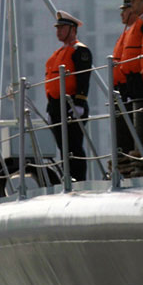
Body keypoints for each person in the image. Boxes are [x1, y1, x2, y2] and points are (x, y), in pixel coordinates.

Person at [45, 11, 92, 181]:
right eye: (57, 28)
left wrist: (80, 102)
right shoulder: (57, 54)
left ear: (72, 29)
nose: (58, 31)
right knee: (63, 147)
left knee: (74, 145)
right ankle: (68, 177)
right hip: (57, 106)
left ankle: (78, 179)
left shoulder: (80, 51)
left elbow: (83, 78)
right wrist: (50, 108)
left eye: (62, 28)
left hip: (72, 105)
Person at [120, 0, 143, 101]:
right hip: (129, 79)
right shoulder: (136, 25)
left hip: (141, 77)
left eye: (135, 1)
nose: (132, 5)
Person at [112, 0, 137, 96]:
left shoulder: (137, 31)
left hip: (130, 83)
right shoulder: (126, 33)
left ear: (133, 10)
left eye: (125, 10)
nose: (122, 14)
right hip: (120, 86)